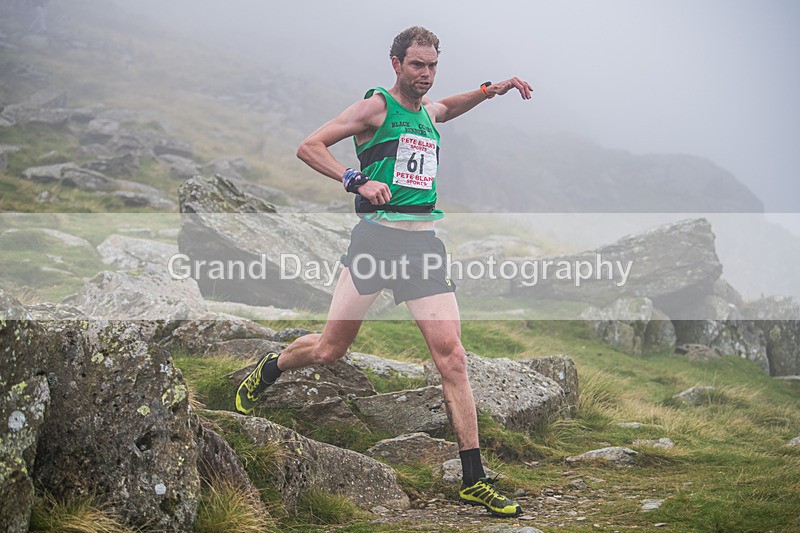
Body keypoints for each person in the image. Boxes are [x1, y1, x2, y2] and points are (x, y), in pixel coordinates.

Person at [236, 26, 533, 518]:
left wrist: (489, 90)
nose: (426, 75)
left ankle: (474, 479)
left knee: (453, 359)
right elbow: (310, 146)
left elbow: (449, 107)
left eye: (433, 66)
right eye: (417, 65)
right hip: (374, 243)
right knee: (330, 351)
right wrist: (356, 179)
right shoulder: (376, 107)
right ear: (396, 63)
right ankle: (271, 367)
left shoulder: (428, 113)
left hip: (423, 249)